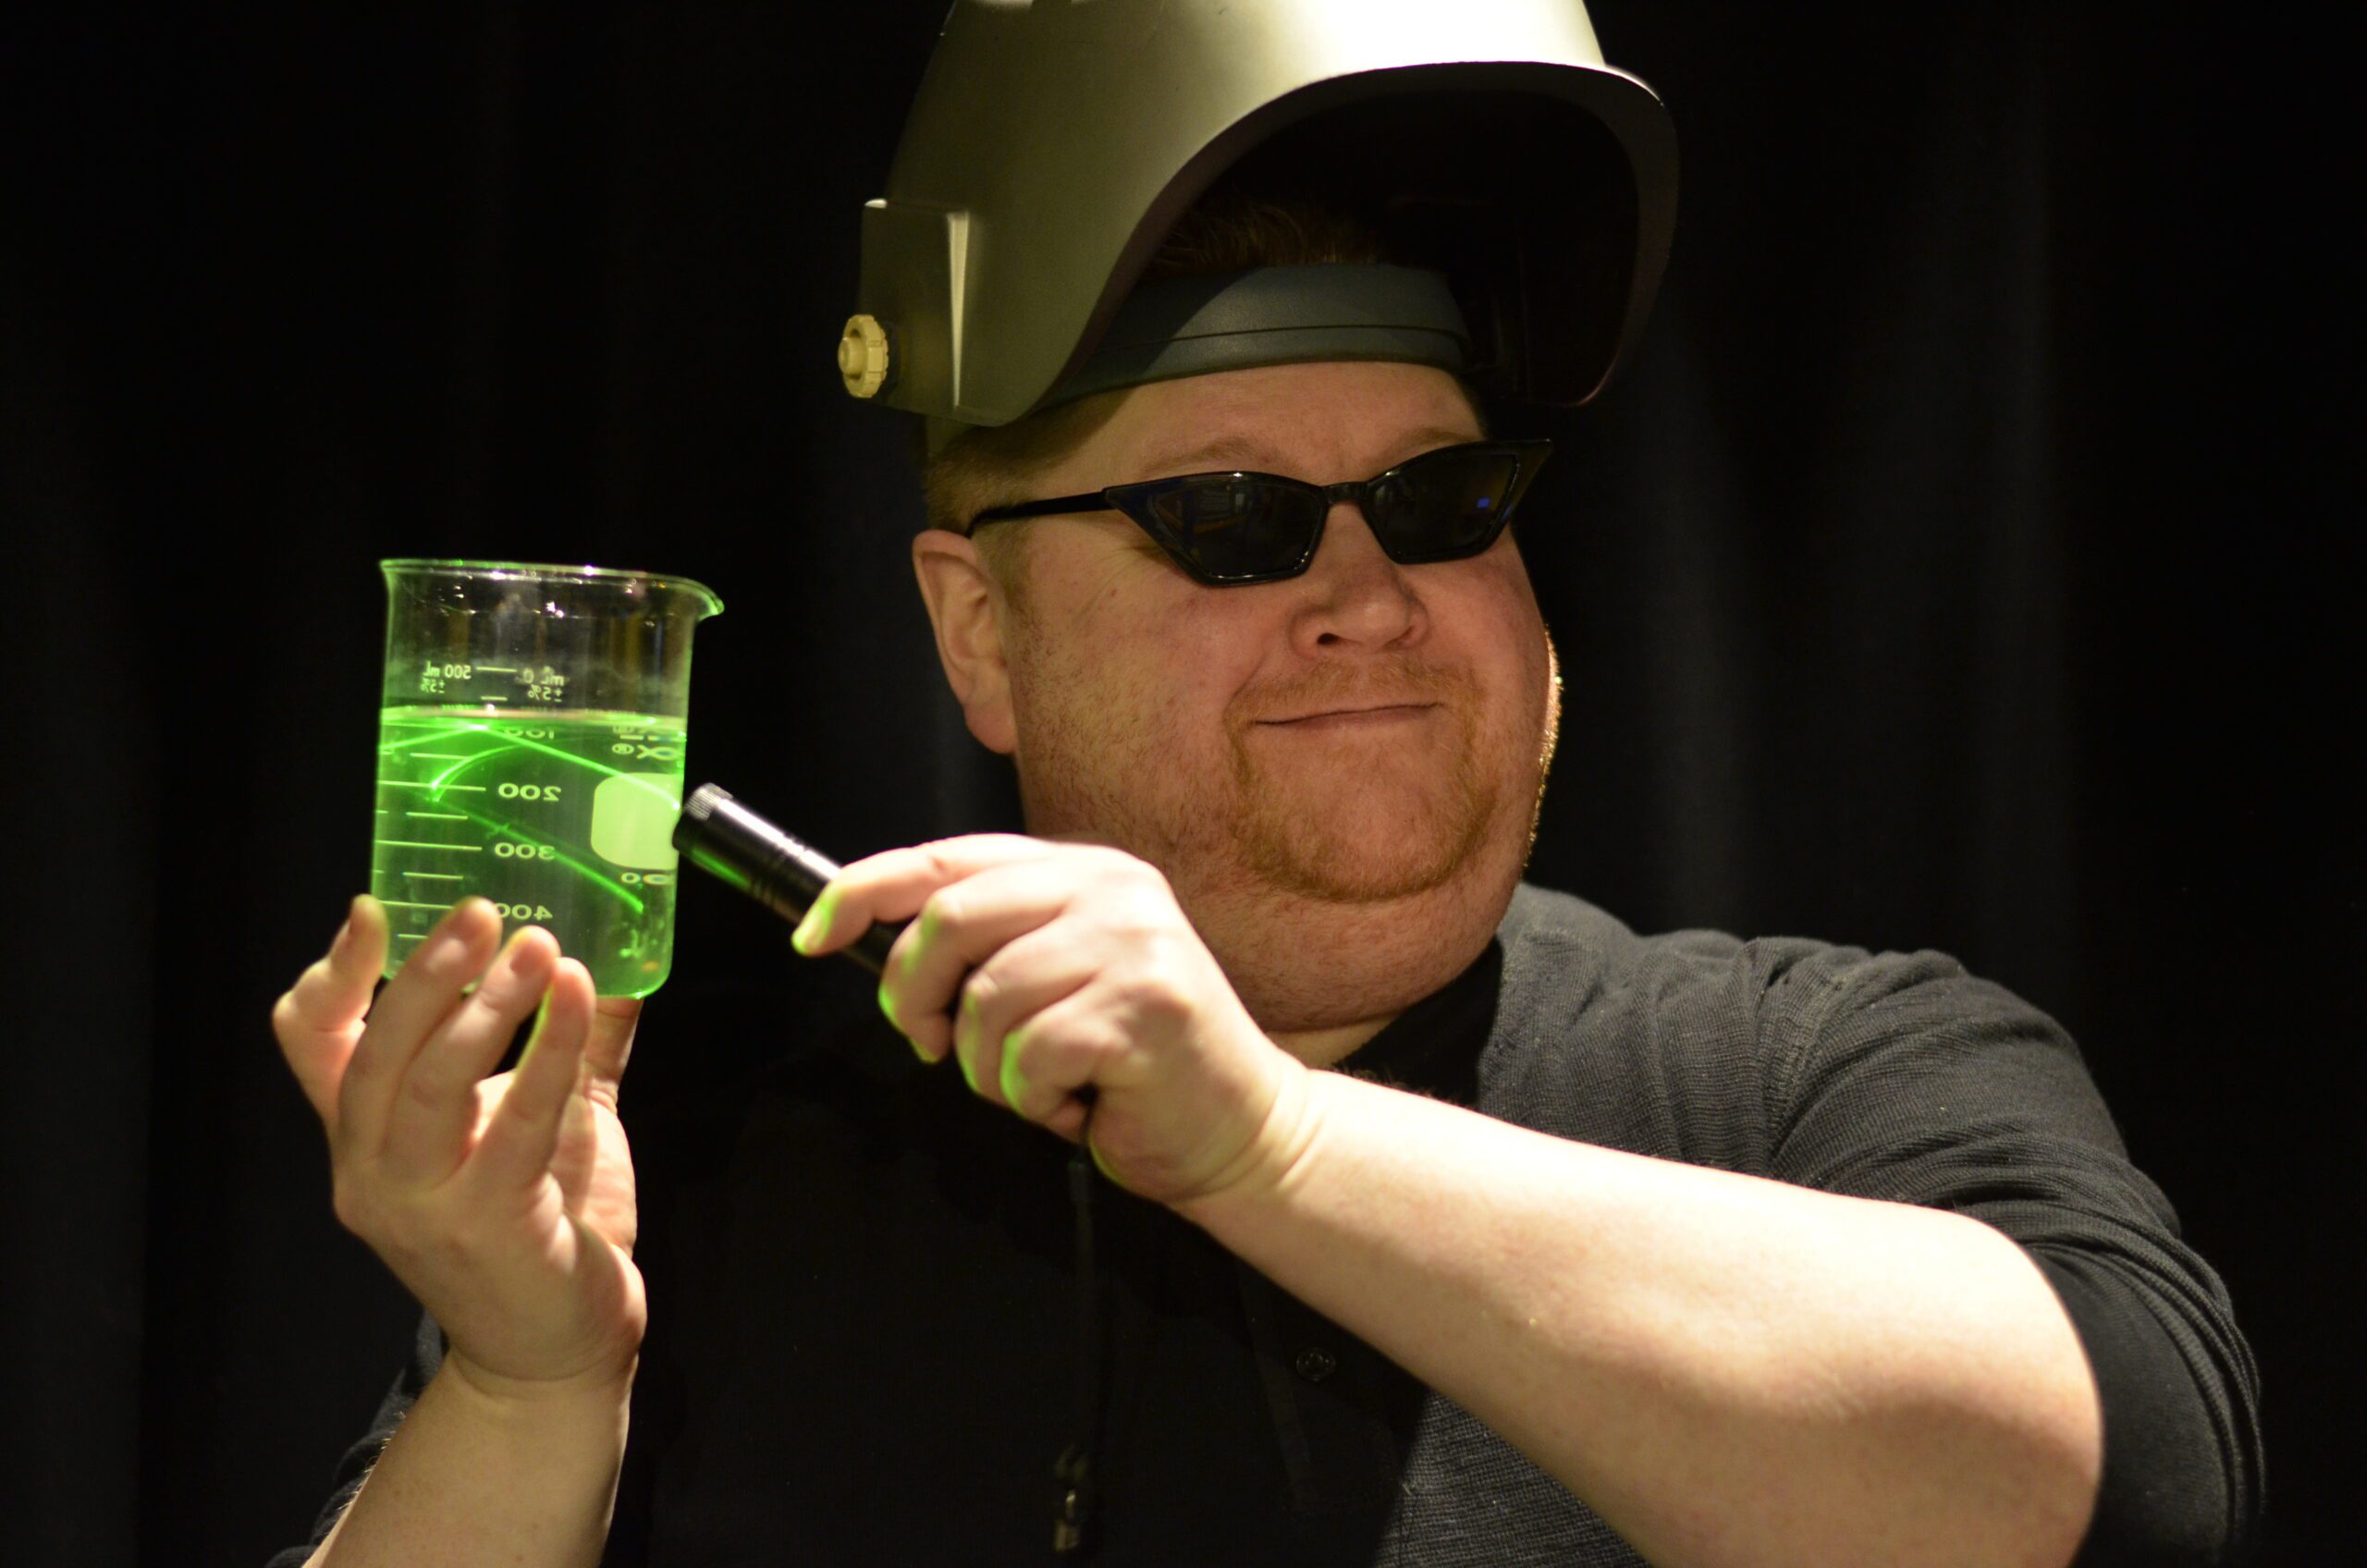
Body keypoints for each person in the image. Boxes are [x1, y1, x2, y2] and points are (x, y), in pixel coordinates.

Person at [267, 5, 2261, 1564]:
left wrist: (1267, 1150)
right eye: (1228, 518)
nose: (1365, 594)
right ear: (978, 633)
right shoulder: (706, 1168)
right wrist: (534, 1385)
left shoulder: (1805, 1070)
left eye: (1439, 497)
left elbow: (2123, 1483)